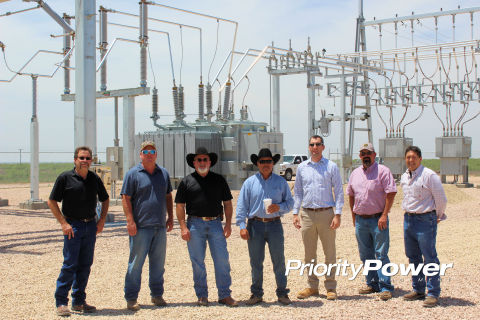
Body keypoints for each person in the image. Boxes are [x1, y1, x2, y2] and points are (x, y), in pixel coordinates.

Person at [48, 146, 109, 317]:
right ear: (75, 159)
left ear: (91, 160)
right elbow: (52, 201)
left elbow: (105, 199)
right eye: (81, 158)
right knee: (69, 264)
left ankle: (79, 301)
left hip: (90, 226)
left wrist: (102, 219)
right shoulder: (65, 178)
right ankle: (61, 302)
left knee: (85, 264)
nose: (85, 161)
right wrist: (63, 223)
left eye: (88, 158)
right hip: (72, 226)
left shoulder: (94, 178)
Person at [175, 147, 238, 307]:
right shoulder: (186, 181)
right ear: (194, 163)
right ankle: (202, 295)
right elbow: (180, 206)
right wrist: (183, 227)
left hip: (216, 224)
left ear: (210, 162)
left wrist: (228, 224)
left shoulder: (219, 180)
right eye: (199, 160)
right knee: (197, 262)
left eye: (205, 159)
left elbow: (228, 203)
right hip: (195, 225)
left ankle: (224, 295)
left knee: (222, 260)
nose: (202, 162)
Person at [236, 148, 294, 305]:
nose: (266, 164)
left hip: (275, 224)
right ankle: (256, 294)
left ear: (273, 163)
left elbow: (290, 203)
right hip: (255, 226)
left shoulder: (281, 182)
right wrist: (242, 226)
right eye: (262, 162)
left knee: (279, 261)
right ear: (257, 163)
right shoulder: (249, 183)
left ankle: (282, 293)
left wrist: (279, 207)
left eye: (269, 161)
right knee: (255, 262)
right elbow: (241, 207)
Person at [121, 141, 174, 311]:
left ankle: (157, 295)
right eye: (146, 151)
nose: (149, 154)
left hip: (159, 226)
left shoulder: (163, 173)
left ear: (156, 154)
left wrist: (171, 217)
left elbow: (168, 196)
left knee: (158, 264)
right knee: (136, 264)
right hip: (140, 227)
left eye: (152, 151)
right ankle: (131, 297)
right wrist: (130, 221)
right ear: (140, 155)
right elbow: (126, 198)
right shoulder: (133, 174)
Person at [292, 135, 344, 301]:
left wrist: (338, 214)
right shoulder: (302, 167)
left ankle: (330, 287)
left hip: (326, 213)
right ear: (309, 147)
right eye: (312, 144)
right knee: (309, 254)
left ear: (323, 147)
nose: (314, 147)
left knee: (329, 252)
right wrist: (295, 213)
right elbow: (298, 191)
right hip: (307, 214)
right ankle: (312, 286)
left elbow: (339, 191)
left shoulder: (331, 166)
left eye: (318, 144)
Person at [346, 142, 396, 301]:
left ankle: (386, 286)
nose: (365, 156)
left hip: (378, 219)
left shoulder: (383, 171)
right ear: (359, 156)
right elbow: (351, 195)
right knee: (365, 254)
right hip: (361, 220)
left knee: (381, 254)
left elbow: (391, 193)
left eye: (368, 153)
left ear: (374, 155)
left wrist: (384, 215)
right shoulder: (354, 173)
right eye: (362, 153)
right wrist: (354, 216)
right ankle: (372, 283)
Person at [400, 146, 447, 308]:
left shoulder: (429, 175)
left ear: (420, 159)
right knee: (413, 257)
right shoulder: (405, 176)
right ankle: (418, 289)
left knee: (429, 256)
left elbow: (441, 199)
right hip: (409, 219)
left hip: (425, 219)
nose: (410, 160)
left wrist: (437, 216)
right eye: (408, 157)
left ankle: (433, 293)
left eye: (413, 157)